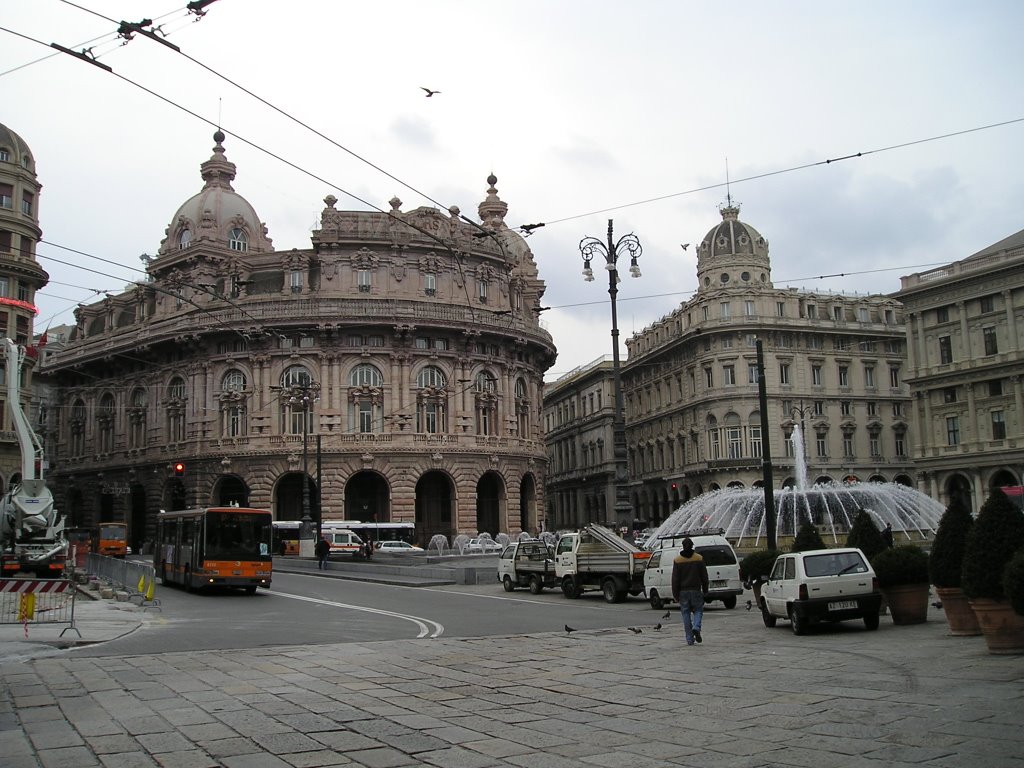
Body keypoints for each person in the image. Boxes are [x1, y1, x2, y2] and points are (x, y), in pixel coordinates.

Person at [671, 537, 709, 646]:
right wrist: (705, 589)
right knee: (698, 610)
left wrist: (675, 594)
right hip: (696, 590)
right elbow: (704, 576)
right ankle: (696, 627)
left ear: (682, 546)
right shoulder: (699, 558)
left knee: (685, 613)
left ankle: (689, 639)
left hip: (683, 591)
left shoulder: (677, 560)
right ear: (692, 546)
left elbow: (675, 579)